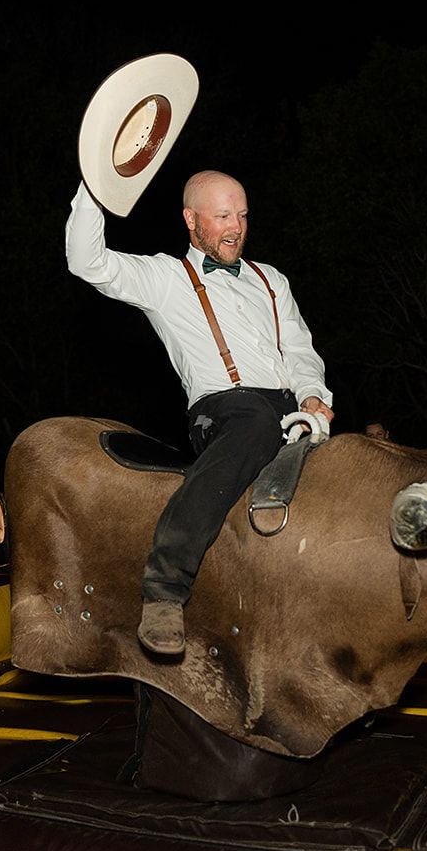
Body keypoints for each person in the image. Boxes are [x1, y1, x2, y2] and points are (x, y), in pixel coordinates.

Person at [65, 171, 334, 655]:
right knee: (253, 420)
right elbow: (88, 262)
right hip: (224, 411)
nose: (237, 227)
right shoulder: (165, 278)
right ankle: (165, 587)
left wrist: (314, 395)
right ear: (191, 220)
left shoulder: (271, 279)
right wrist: (96, 187)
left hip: (289, 411)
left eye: (243, 215)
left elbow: (299, 352)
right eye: (224, 216)